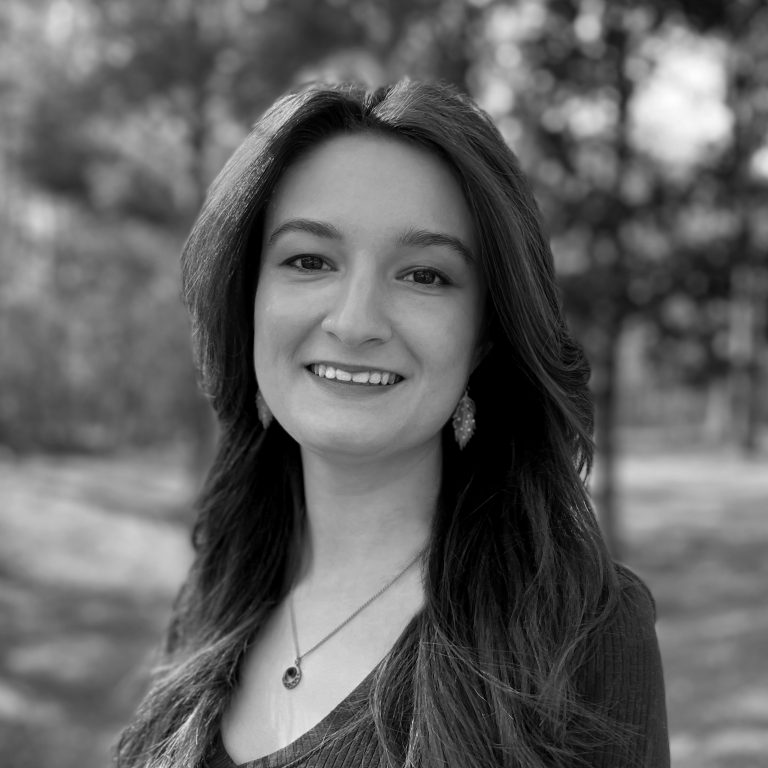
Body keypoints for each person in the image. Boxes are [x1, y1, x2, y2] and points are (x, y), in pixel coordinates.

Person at [117, 79, 669, 768]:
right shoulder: (212, 598)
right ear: (248, 301)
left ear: (485, 336)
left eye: (424, 276)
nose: (353, 322)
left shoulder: (581, 636)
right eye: (309, 260)